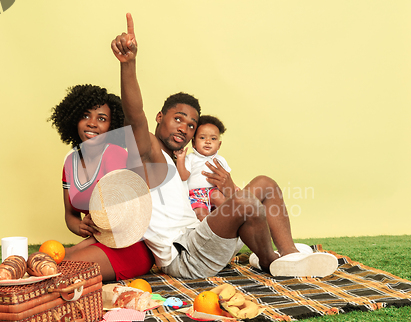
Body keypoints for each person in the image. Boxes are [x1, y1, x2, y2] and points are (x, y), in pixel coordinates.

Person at [111, 14, 338, 279]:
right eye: (178, 119)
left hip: (206, 235)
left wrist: (225, 191)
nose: (184, 128)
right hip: (187, 258)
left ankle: (289, 255)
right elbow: (134, 115)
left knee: (264, 183)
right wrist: (129, 63)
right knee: (244, 201)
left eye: (192, 125)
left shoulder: (182, 161)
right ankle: (271, 262)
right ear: (160, 118)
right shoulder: (148, 152)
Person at [49, 84, 154, 281]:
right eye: (86, 115)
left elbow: (122, 221)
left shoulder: (114, 155)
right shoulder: (70, 162)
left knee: (62, 270)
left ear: (112, 127)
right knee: (43, 263)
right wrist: (80, 227)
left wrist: (74, 249)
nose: (92, 123)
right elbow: (71, 215)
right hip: (96, 242)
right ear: (74, 119)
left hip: (128, 245)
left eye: (102, 119)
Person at [175, 115, 237, 221]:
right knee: (201, 213)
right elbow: (183, 176)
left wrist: (234, 187)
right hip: (195, 195)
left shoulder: (220, 160)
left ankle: (232, 221)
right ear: (194, 143)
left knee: (221, 200)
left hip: (213, 191)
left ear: (219, 145)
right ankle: (208, 228)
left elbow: (227, 178)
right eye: (202, 138)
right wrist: (180, 159)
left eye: (213, 139)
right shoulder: (191, 158)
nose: (208, 141)